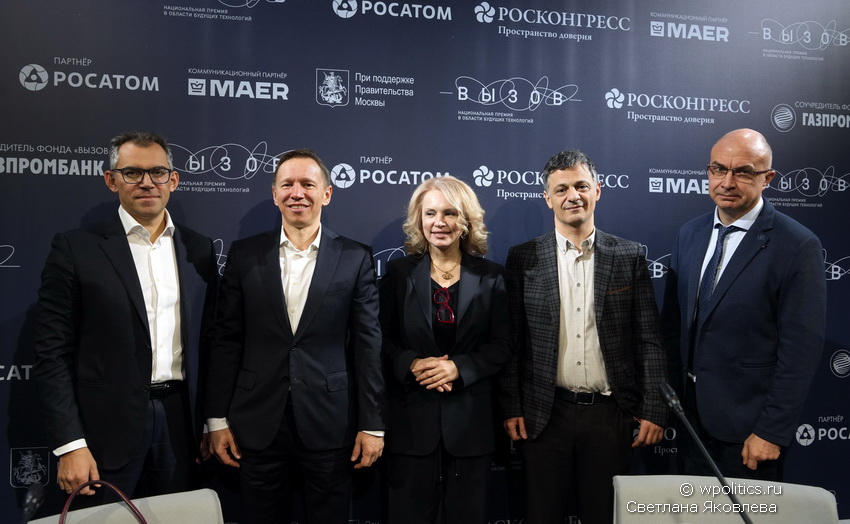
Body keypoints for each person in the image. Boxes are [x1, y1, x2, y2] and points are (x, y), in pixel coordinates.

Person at [33, 131, 218, 503]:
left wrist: (212, 420)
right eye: (132, 172)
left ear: (173, 180)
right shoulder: (76, 248)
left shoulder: (198, 248)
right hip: (104, 431)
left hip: (181, 424)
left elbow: (213, 343)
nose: (147, 182)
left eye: (158, 172)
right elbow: (51, 353)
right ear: (111, 180)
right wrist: (71, 444)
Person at [205, 149, 387, 523]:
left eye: (307, 184)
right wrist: (216, 419)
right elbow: (226, 340)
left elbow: (368, 347)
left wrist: (372, 424)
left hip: (331, 424)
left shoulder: (355, 257)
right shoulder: (244, 254)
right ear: (275, 194)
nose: (297, 193)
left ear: (327, 194)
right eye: (287, 184)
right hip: (256, 423)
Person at [499, 149, 667, 524]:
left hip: (610, 416)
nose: (572, 196)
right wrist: (511, 405)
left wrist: (654, 408)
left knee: (604, 516)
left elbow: (649, 339)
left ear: (597, 191)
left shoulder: (628, 255)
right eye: (561, 189)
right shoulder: (523, 258)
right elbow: (512, 341)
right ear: (547, 198)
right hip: (543, 415)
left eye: (581, 186)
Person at [661, 128, 826, 480]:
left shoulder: (797, 245)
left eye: (743, 172)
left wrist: (771, 431)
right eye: (718, 169)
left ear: (768, 178)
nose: (727, 182)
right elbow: (672, 327)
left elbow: (800, 352)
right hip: (689, 422)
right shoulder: (688, 234)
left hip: (750, 431)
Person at [380, 176, 512, 523]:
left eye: (450, 213)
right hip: (410, 424)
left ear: (465, 220)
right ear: (419, 219)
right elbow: (378, 340)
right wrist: (411, 364)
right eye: (431, 213)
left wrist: (458, 368)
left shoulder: (492, 276)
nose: (439, 222)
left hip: (471, 427)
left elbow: (504, 345)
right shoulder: (397, 274)